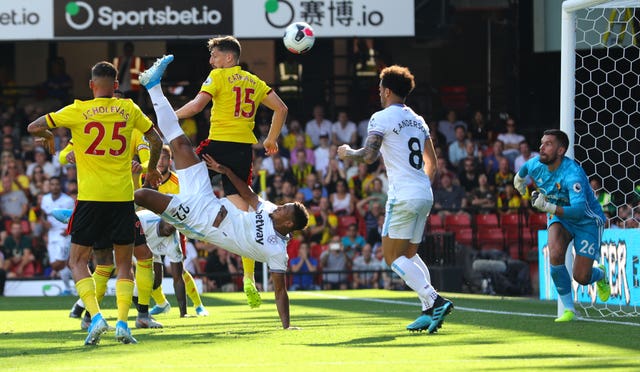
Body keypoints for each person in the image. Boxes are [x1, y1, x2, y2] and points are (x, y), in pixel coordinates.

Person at [134, 55, 308, 329]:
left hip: (198, 220)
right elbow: (250, 195)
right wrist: (224, 171)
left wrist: (286, 326)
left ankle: (98, 211)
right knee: (179, 143)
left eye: (285, 209)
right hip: (208, 199)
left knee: (142, 195)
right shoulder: (270, 211)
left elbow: (280, 291)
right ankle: (152, 85)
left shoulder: (278, 251)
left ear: (288, 224)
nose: (280, 206)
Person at [27, 60, 163, 345]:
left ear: (91, 85)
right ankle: (124, 324)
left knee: (77, 260)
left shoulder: (78, 110)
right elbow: (155, 139)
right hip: (123, 198)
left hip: (90, 199)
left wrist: (48, 134)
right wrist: (150, 170)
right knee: (125, 264)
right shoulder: (128, 109)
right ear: (116, 86)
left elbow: (33, 126)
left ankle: (96, 316)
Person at [174, 36, 288, 309]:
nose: (211, 60)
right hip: (241, 153)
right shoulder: (254, 81)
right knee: (243, 216)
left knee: (179, 165)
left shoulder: (217, 77)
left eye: (214, 55)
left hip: (218, 144)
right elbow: (281, 109)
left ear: (228, 58)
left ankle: (177, 214)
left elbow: (197, 106)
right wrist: (271, 139)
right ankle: (248, 277)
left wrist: (170, 115)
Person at [338, 65, 453, 334]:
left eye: (380, 89)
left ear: (387, 90)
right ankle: (427, 309)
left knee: (391, 258)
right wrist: (420, 186)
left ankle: (434, 299)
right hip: (424, 193)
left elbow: (368, 156)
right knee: (409, 254)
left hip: (403, 196)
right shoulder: (418, 119)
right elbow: (433, 164)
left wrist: (347, 152)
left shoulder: (380, 117)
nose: (379, 93)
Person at [513, 129, 610, 322]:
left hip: (587, 222)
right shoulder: (536, 164)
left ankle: (600, 274)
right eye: (542, 142)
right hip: (560, 219)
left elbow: (579, 211)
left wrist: (548, 206)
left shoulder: (572, 174)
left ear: (560, 151)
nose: (542, 147)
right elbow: (524, 170)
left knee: (581, 276)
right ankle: (569, 310)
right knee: (555, 253)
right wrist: (519, 180)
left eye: (548, 144)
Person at [39, 176, 75, 295]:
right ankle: (69, 289)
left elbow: (74, 217)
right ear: (49, 186)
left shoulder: (68, 200)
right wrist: (44, 224)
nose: (54, 186)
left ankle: (79, 277)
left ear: (61, 186)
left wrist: (68, 230)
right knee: (57, 265)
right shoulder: (45, 199)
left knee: (59, 263)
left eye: (57, 184)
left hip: (63, 234)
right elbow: (43, 214)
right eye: (52, 184)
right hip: (51, 234)